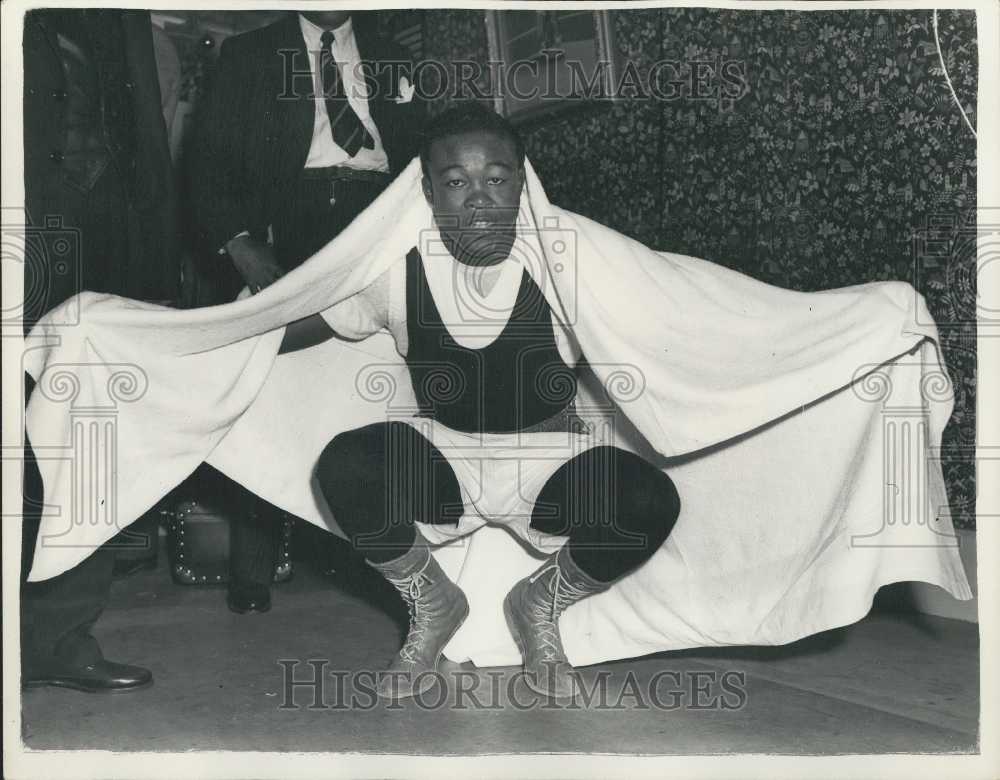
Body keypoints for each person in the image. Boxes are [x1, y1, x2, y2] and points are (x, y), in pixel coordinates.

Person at [279, 104, 682, 701]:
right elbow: (295, 321)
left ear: (523, 184)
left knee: (650, 498)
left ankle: (539, 604)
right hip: (448, 460)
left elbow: (691, 314)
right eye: (456, 182)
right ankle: (433, 603)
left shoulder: (569, 266)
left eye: (496, 179)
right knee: (344, 462)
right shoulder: (397, 271)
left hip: (552, 463)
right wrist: (199, 337)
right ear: (428, 190)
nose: (477, 199)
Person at [187, 9, 425, 614]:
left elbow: (422, 152)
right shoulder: (249, 53)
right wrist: (241, 245)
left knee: (383, 388)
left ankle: (394, 568)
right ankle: (253, 566)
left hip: (377, 218)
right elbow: (209, 161)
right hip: (287, 221)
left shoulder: (393, 50)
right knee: (270, 383)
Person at [20, 8, 176, 692]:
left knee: (86, 436)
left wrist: (157, 266)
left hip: (107, 227)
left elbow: (144, 128)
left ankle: (61, 635)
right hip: (17, 221)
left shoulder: (127, 17)